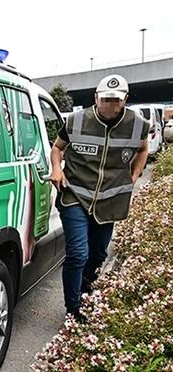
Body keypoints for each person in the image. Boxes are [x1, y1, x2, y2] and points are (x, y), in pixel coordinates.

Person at [50, 74, 149, 318]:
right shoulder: (76, 120)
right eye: (106, 99)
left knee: (98, 255)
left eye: (116, 100)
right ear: (96, 98)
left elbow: (144, 148)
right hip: (74, 195)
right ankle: (73, 309)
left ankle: (85, 290)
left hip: (109, 200)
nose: (111, 105)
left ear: (125, 100)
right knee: (78, 254)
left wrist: (134, 175)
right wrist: (56, 169)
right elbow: (57, 148)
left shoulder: (137, 124)